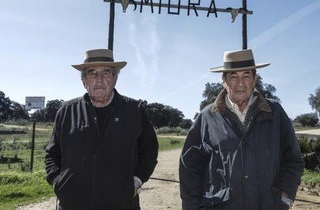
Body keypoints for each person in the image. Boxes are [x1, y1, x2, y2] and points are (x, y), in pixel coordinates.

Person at [179, 49, 304, 210]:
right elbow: (190, 167)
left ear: (254, 79)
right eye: (233, 76)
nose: (240, 83)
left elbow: (293, 160)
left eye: (246, 75)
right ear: (224, 81)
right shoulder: (207, 117)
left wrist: (285, 198)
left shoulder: (275, 112)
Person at [45, 49, 159, 210]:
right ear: (84, 81)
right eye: (92, 73)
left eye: (106, 73)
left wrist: (137, 181)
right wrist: (59, 183)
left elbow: (149, 151)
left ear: (115, 79)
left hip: (121, 204)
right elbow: (52, 154)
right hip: (72, 204)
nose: (99, 79)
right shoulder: (66, 111)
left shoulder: (134, 110)